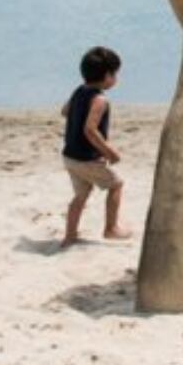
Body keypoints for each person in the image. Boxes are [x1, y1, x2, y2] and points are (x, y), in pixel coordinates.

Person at [59, 46, 127, 245]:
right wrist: (109, 152)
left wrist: (77, 114)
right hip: (86, 159)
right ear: (107, 76)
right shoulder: (100, 100)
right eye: (115, 74)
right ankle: (111, 228)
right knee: (116, 185)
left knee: (80, 195)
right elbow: (90, 130)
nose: (116, 78)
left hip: (70, 156)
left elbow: (64, 111)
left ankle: (70, 236)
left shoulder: (79, 91)